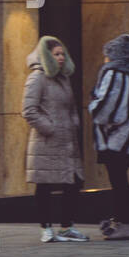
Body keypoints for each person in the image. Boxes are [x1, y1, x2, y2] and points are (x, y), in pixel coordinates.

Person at [21, 35, 88, 242]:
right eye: (56, 54)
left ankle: (67, 227)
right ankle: (46, 229)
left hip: (67, 143)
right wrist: (50, 128)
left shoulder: (63, 78)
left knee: (73, 183)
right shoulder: (37, 77)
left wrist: (74, 122)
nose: (61, 57)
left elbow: (71, 107)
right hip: (46, 142)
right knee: (45, 185)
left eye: (62, 54)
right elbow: (28, 110)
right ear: (46, 56)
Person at [88, 33, 129, 241]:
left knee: (119, 182)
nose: (105, 59)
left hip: (115, 139)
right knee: (122, 182)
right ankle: (124, 222)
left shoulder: (114, 73)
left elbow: (106, 107)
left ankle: (124, 223)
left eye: (107, 55)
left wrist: (93, 104)